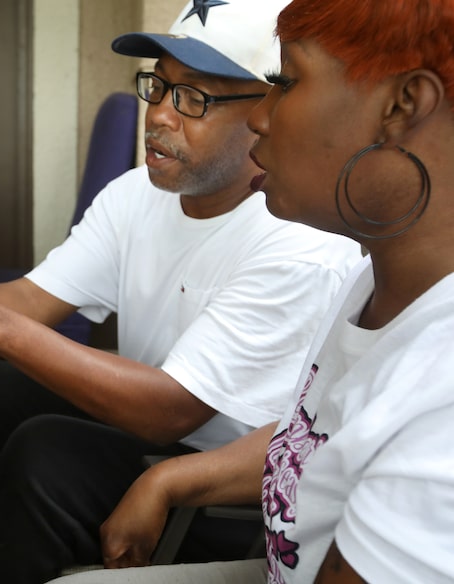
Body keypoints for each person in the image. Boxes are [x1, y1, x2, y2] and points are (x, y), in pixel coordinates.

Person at [0, 1, 362, 582]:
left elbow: (171, 411)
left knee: (46, 455)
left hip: (225, 486)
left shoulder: (299, 242)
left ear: (265, 112)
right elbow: (33, 302)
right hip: (152, 427)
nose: (158, 116)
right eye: (157, 88)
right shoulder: (138, 194)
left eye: (193, 99)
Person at [47, 0, 454, 582]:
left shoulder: (441, 383)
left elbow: (172, 410)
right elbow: (314, 438)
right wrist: (169, 478)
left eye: (285, 84)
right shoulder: (376, 280)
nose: (261, 118)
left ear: (402, 106)